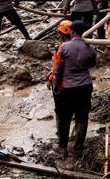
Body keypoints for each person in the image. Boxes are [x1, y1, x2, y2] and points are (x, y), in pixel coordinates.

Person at [52, 19, 96, 155]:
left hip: (68, 87)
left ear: (72, 31)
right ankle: (78, 147)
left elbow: (58, 69)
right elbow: (93, 64)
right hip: (85, 86)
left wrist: (55, 84)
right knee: (82, 117)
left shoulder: (64, 47)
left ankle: (62, 147)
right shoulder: (91, 48)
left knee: (65, 119)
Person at [47, 20, 72, 149]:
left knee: (61, 113)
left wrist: (52, 81)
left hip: (62, 86)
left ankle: (62, 141)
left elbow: (57, 69)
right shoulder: (80, 46)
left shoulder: (61, 49)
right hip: (76, 86)